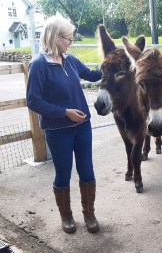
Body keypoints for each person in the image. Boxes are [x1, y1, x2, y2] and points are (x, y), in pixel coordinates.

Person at [26, 16, 101, 234]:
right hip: (58, 131)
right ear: (56, 38)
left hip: (83, 126)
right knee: (63, 173)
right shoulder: (39, 64)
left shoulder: (70, 60)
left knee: (87, 169)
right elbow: (33, 101)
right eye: (68, 38)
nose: (71, 41)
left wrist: (111, 61)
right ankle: (66, 216)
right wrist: (64, 113)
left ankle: (89, 213)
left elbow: (93, 75)